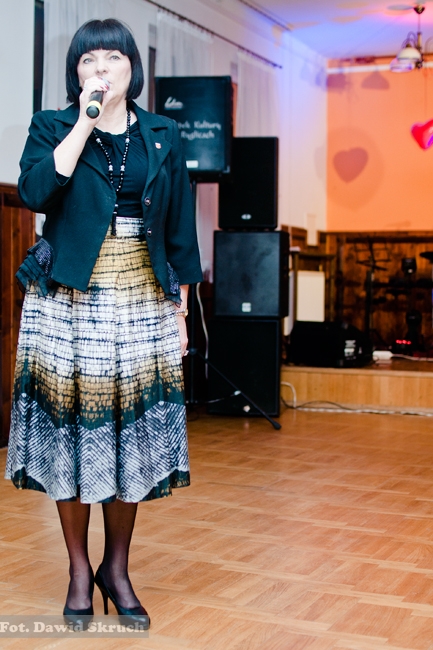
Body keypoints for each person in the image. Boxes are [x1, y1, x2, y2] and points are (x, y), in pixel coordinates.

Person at [4, 18, 202, 629]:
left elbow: (180, 226)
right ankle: (76, 570)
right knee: (72, 433)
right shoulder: (53, 126)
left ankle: (116, 569)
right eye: (88, 60)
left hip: (142, 293)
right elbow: (36, 193)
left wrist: (181, 310)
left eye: (112, 58)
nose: (100, 69)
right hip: (68, 296)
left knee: (129, 437)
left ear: (131, 69)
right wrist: (85, 122)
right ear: (77, 73)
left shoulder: (162, 133)